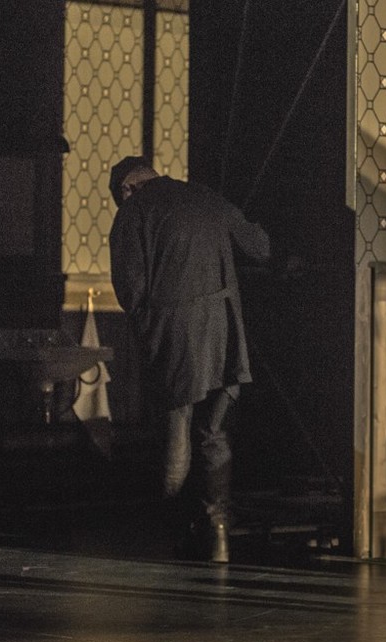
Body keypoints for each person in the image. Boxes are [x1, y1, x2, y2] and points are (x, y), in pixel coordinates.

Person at [108, 156, 270, 563]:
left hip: (175, 338)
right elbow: (259, 247)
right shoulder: (205, 197)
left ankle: (171, 535)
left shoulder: (134, 212)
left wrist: (150, 329)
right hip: (225, 334)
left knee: (176, 430)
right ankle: (218, 538)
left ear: (126, 188)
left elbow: (130, 289)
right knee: (214, 433)